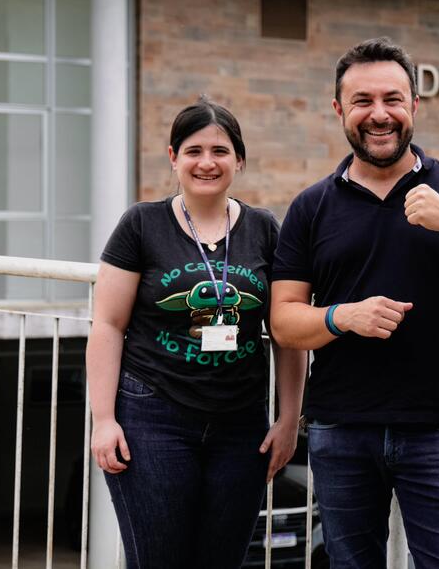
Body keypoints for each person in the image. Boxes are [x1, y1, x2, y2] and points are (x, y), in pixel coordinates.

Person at [270, 37, 439, 568]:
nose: (378, 114)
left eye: (392, 99)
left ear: (414, 106)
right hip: (340, 429)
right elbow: (284, 322)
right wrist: (344, 317)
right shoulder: (311, 206)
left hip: (438, 428)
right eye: (362, 101)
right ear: (340, 110)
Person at [87, 99, 307, 568]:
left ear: (239, 160)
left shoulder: (265, 229)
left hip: (241, 424)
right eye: (193, 150)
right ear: (173, 157)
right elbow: (107, 324)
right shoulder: (141, 225)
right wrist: (103, 420)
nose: (207, 162)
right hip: (153, 417)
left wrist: (289, 420)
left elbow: (288, 331)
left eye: (220, 151)